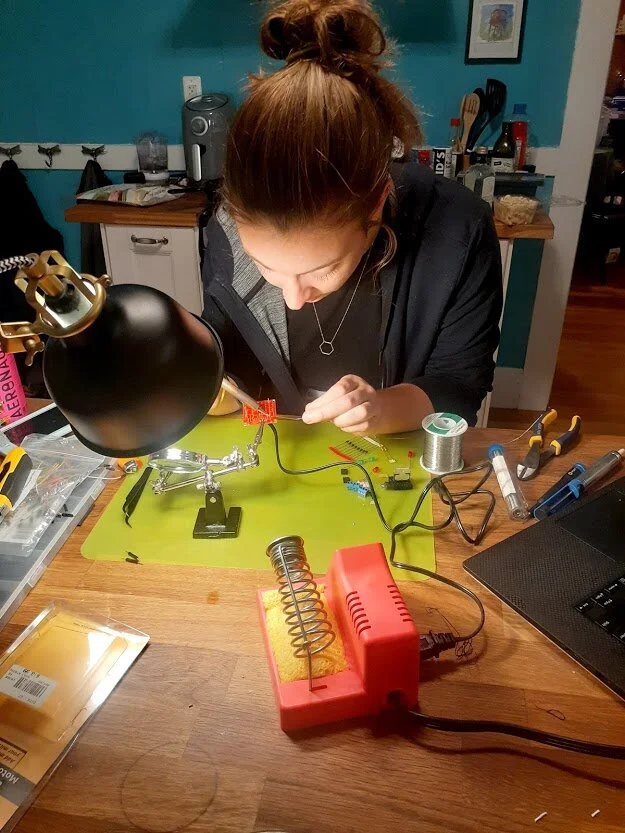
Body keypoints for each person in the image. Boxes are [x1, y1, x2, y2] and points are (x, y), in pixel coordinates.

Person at [202, 0, 502, 434]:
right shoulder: (226, 229)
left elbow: (459, 386)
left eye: (321, 270)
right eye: (265, 267)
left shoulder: (459, 232)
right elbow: (225, 351)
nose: (293, 298)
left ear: (376, 203)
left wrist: (381, 408)